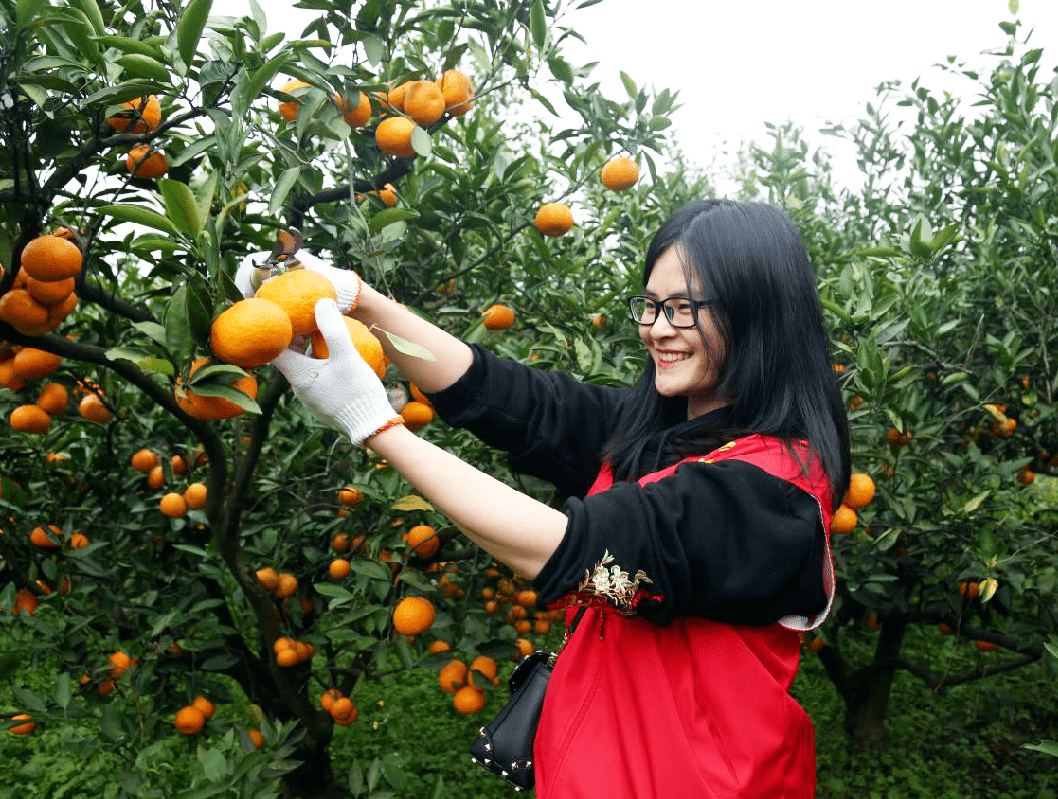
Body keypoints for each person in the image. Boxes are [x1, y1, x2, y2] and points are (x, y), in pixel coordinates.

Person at [237, 198, 851, 798]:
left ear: (757, 315)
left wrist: (374, 424)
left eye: (685, 309)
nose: (657, 329)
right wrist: (358, 299)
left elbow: (582, 556)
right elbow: (508, 399)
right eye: (652, 306)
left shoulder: (774, 490)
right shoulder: (657, 432)